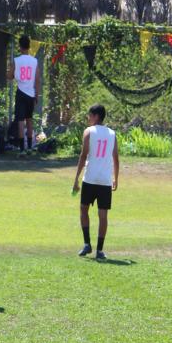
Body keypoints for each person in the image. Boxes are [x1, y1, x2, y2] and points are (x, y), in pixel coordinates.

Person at [71, 104, 118, 259]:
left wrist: (76, 178)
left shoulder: (89, 132)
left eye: (90, 115)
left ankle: (87, 244)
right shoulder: (112, 133)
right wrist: (116, 178)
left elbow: (83, 155)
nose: (88, 118)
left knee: (83, 209)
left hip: (90, 178)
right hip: (105, 180)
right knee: (103, 215)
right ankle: (99, 250)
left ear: (96, 116)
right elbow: (116, 158)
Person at [14, 35, 39, 151]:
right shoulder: (34, 61)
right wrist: (36, 94)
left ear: (20, 46)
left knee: (20, 120)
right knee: (29, 119)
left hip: (21, 92)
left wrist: (10, 73)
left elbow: (10, 76)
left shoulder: (16, 60)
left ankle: (21, 148)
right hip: (31, 93)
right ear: (29, 46)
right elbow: (37, 79)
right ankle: (29, 146)